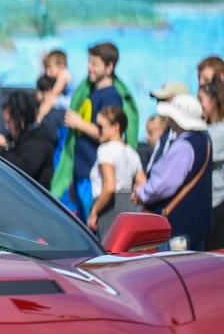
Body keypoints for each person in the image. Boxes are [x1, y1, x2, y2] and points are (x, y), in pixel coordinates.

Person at [52, 41, 138, 223]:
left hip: (95, 174)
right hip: (81, 172)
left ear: (109, 67)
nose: (88, 67)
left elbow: (109, 134)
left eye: (94, 64)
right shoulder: (90, 91)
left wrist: (79, 123)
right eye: (88, 62)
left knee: (95, 228)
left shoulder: (111, 96)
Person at [133, 94, 212, 251]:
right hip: (198, 224)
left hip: (178, 227)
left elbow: (164, 183)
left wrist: (141, 193)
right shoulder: (204, 141)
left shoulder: (183, 145)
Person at [87, 106, 145, 240]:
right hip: (129, 208)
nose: (97, 130)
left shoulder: (106, 150)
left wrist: (94, 212)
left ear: (116, 127)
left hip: (109, 208)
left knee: (109, 254)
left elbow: (109, 186)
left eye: (101, 126)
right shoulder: (131, 152)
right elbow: (142, 185)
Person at [0, 90, 55, 189]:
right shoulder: (17, 138)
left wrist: (1, 149)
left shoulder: (39, 141)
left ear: (21, 118)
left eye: (9, 122)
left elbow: (19, 170)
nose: (6, 126)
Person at [198, 80, 224, 249]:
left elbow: (201, 155)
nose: (199, 105)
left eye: (202, 100)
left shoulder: (220, 131)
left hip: (218, 197)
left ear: (214, 100)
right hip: (208, 198)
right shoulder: (207, 127)